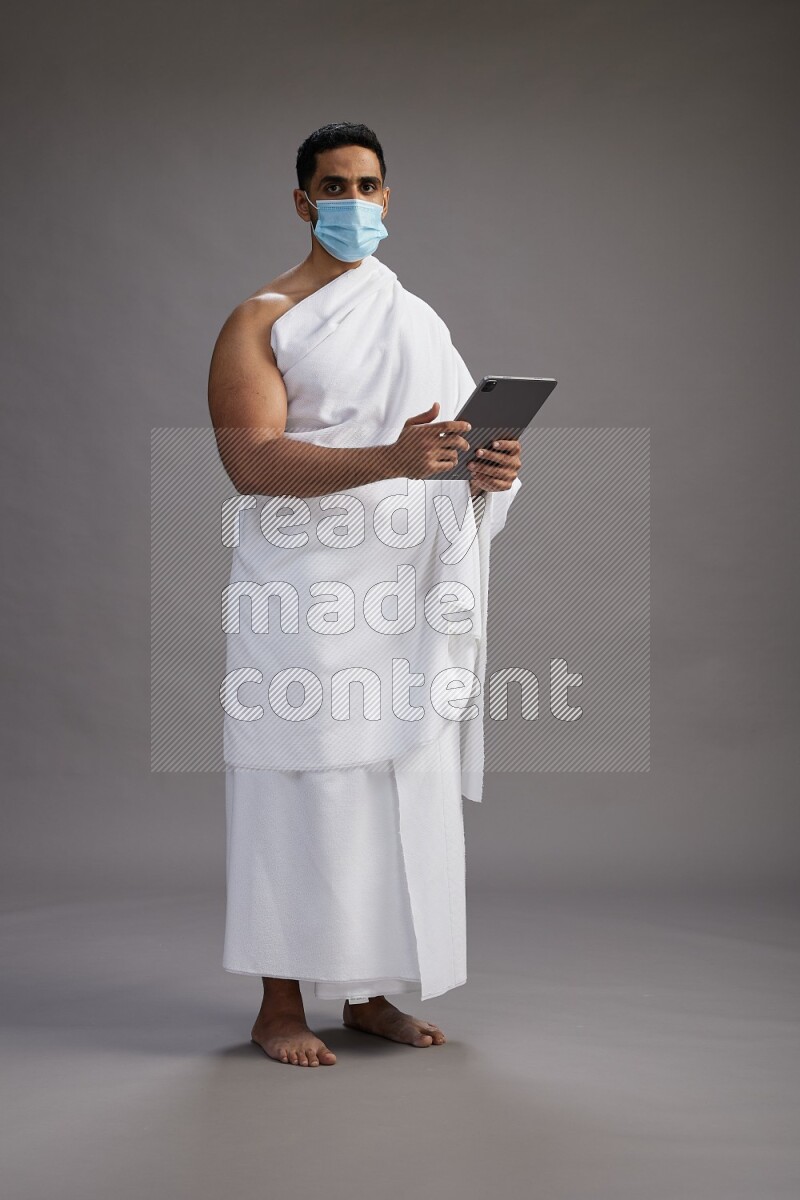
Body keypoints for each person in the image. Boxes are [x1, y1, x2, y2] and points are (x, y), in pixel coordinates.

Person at [208, 122, 522, 1067]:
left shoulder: (415, 317)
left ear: (390, 198)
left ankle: (371, 990)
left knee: (395, 784)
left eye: (370, 186)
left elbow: (452, 443)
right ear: (303, 202)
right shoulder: (260, 320)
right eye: (335, 187)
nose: (355, 203)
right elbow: (249, 461)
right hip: (302, 598)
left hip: (403, 593)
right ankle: (277, 1007)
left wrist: (483, 473)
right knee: (299, 785)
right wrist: (393, 458)